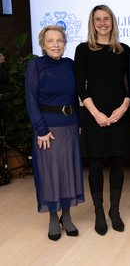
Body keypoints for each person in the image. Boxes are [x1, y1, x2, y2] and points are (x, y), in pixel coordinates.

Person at [74, 5, 130, 235]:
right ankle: (99, 211)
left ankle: (114, 210)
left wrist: (123, 108)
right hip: (93, 115)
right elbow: (79, 85)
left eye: (106, 18)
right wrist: (96, 113)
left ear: (112, 21)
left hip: (119, 114)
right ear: (92, 23)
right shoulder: (83, 49)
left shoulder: (124, 50)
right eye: (98, 19)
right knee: (96, 164)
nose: (102, 23)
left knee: (118, 162)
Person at [25, 25, 84, 241]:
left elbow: (76, 96)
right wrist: (40, 129)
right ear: (42, 44)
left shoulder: (70, 64)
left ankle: (66, 216)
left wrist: (78, 122)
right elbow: (30, 99)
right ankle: (52, 217)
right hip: (46, 130)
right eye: (50, 41)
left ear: (65, 43)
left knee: (69, 172)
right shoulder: (35, 64)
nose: (56, 45)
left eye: (59, 41)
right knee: (50, 173)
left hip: (69, 126)